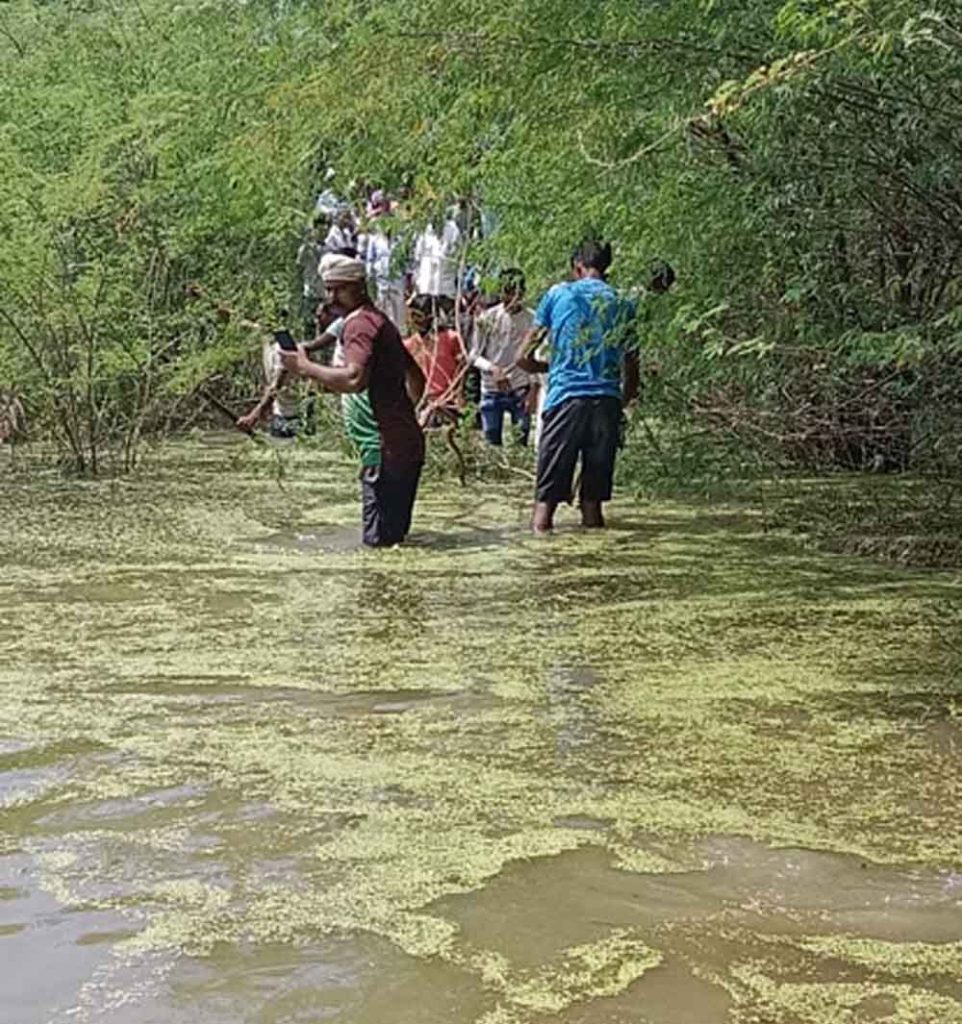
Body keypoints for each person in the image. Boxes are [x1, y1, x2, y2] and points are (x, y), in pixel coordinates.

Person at [279, 254, 426, 548]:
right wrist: (406, 417)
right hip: (402, 445)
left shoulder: (360, 325)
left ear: (359, 286)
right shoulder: (380, 320)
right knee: (394, 542)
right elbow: (416, 377)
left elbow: (353, 379)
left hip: (384, 449)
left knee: (378, 547)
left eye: (340, 289)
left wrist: (304, 368)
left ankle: (377, 594)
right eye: (329, 289)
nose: (332, 297)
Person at [518, 239, 639, 533]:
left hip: (566, 401)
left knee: (545, 502)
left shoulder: (559, 294)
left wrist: (549, 367)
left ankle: (541, 559)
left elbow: (522, 357)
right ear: (606, 267)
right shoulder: (623, 302)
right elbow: (632, 366)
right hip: (606, 402)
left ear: (577, 267)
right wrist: (620, 401)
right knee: (593, 503)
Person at [470, 268, 536, 446]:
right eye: (508, 292)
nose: (513, 298)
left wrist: (533, 390)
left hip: (520, 389)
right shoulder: (488, 318)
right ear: (500, 292)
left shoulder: (532, 319)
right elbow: (474, 355)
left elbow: (535, 355)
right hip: (491, 390)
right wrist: (493, 369)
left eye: (517, 292)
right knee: (492, 445)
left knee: (520, 443)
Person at [404, 294, 466, 427]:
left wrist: (458, 394)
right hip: (422, 404)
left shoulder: (451, 338)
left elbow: (461, 369)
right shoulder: (409, 345)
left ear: (431, 317)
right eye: (412, 316)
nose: (415, 321)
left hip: (448, 402)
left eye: (418, 316)